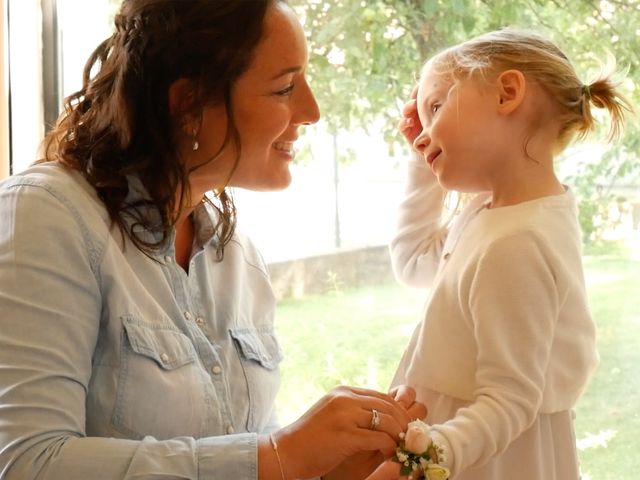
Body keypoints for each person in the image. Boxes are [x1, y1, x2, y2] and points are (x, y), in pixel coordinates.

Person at [0, 1, 425, 479]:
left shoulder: (237, 258)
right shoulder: (46, 215)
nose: (312, 112)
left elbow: (254, 455)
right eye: (284, 88)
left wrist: (329, 469)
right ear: (189, 104)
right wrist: (280, 457)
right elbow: (26, 463)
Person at [389, 28, 631, 479]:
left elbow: (510, 400)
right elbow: (414, 261)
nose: (421, 136)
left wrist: (429, 456)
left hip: (486, 454)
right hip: (476, 439)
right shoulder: (494, 213)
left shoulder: (517, 242)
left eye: (436, 107)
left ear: (507, 93)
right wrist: (424, 163)